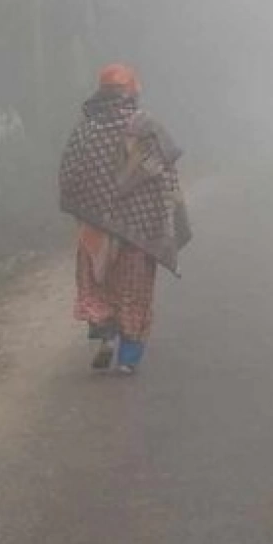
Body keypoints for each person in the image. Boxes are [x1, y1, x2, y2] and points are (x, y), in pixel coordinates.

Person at [59, 64, 191, 374]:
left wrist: (93, 208)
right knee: (134, 290)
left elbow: (69, 176)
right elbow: (166, 179)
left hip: (95, 230)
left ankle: (105, 334)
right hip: (138, 230)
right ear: (133, 90)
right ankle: (128, 360)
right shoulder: (147, 128)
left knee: (97, 283)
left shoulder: (86, 129)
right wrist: (166, 219)